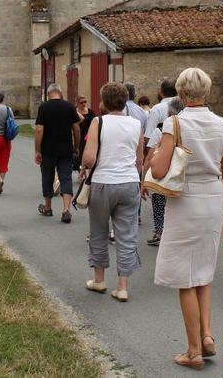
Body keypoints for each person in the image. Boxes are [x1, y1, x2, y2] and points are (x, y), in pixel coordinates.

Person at [151, 68, 223, 371]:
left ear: (182, 93)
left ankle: (193, 351)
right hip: (214, 199)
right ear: (207, 92)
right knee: (203, 270)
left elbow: (160, 170)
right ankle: (207, 334)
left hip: (186, 200)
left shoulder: (174, 123)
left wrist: (153, 158)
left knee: (184, 278)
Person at [80, 82, 145, 302]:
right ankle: (123, 286)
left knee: (99, 231)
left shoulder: (98, 122)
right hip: (129, 183)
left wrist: (84, 167)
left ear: (104, 101)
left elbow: (89, 158)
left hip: (103, 182)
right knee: (126, 234)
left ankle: (99, 280)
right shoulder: (136, 124)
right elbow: (139, 160)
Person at [34, 84, 81, 223]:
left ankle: (48, 208)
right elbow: (76, 129)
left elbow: (39, 130)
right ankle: (66, 210)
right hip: (66, 148)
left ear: (48, 94)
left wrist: (37, 150)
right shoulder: (69, 107)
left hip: (48, 149)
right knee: (65, 178)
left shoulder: (44, 107)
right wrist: (76, 146)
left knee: (47, 177)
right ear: (60, 93)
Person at [141, 97, 184, 246]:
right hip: (180, 173)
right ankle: (176, 233)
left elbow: (148, 159)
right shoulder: (187, 130)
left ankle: (160, 232)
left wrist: (143, 182)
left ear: (168, 114)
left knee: (158, 203)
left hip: (161, 172)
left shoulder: (160, 132)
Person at [145, 77, 178, 149]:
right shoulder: (183, 107)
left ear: (161, 90)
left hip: (161, 150)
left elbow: (149, 137)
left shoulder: (157, 109)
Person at [74, 94, 96, 171]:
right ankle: (80, 170)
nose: (83, 104)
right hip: (78, 133)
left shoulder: (90, 112)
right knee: (80, 152)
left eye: (85, 102)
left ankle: (87, 169)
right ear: (77, 103)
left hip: (88, 133)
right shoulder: (74, 111)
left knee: (87, 151)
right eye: (81, 102)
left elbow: (94, 122)